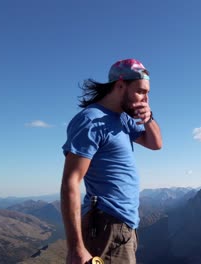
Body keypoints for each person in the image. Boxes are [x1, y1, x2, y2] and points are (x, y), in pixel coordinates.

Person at [61, 59, 162, 264]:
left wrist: (148, 118)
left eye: (148, 93)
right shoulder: (91, 120)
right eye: (141, 91)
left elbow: (155, 144)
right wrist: (76, 249)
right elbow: (70, 183)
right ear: (120, 85)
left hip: (123, 225)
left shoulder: (122, 119)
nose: (145, 99)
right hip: (107, 225)